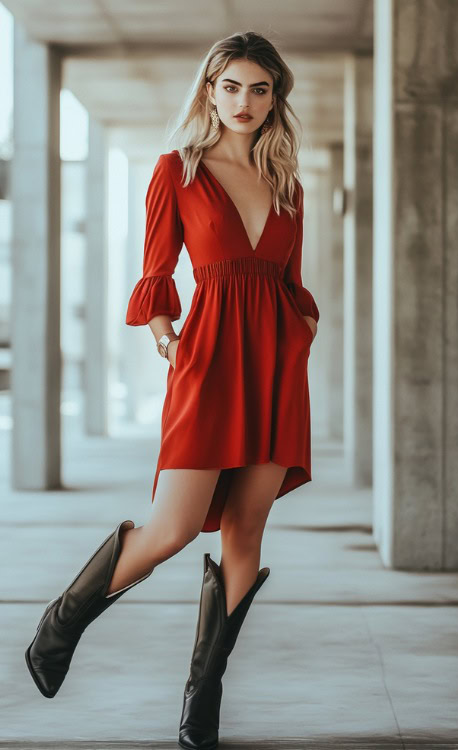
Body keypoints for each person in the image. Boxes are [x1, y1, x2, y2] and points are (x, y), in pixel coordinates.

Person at [25, 30, 320, 750]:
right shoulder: (178, 170)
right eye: (230, 86)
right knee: (174, 529)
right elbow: (157, 276)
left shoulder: (289, 183)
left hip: (278, 367)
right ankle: (62, 621)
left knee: (246, 531)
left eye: (259, 88)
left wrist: (303, 326)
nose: (243, 102)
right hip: (209, 360)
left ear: (275, 96)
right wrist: (167, 339)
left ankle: (203, 699)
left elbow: (289, 280)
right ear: (209, 89)